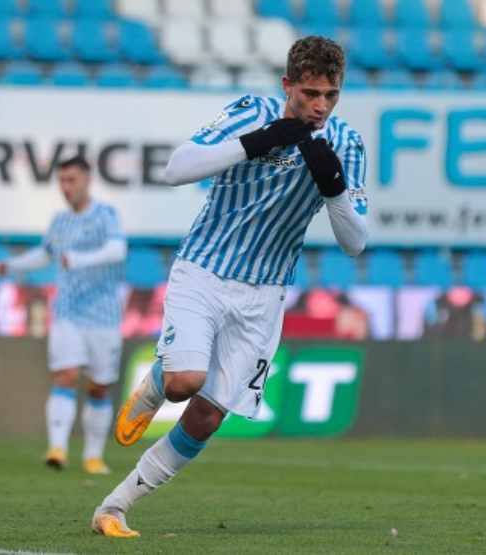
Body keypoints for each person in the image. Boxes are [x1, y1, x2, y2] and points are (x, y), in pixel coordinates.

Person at [92, 36, 368, 538]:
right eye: (310, 93)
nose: (320, 106)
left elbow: (355, 242)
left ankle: (114, 507)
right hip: (205, 269)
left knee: (206, 419)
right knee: (184, 382)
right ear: (288, 86)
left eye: (331, 94)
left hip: (264, 296)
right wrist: (256, 142)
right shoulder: (250, 112)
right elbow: (177, 168)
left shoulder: (346, 144)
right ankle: (158, 380)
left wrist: (335, 192)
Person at [0, 155, 127, 475]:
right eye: (62, 181)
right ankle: (57, 448)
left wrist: (79, 260)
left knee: (98, 386)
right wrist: (13, 265)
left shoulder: (105, 215)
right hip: (68, 312)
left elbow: (117, 251)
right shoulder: (60, 221)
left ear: (87, 180)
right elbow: (45, 253)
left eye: (72, 180)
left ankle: (93, 456)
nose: (66, 187)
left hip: (104, 315)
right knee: (65, 375)